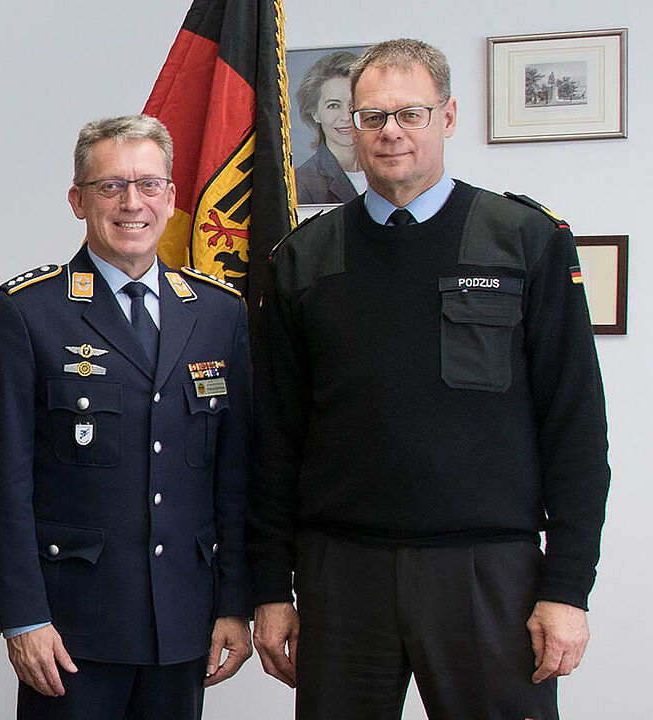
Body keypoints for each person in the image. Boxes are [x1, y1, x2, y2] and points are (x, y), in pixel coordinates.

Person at [250, 38, 610, 720]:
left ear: (447, 118)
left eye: (410, 113)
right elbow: (274, 441)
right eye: (371, 116)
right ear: (348, 126)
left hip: (490, 574)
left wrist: (566, 588)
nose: (389, 132)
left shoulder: (524, 240)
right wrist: (271, 588)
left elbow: (577, 430)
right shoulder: (302, 260)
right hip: (342, 572)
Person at [0, 115, 253, 720]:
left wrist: (233, 602)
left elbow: (232, 479)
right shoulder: (28, 312)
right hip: (74, 625)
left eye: (150, 185)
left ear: (172, 198)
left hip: (183, 619)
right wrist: (23, 616)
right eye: (110, 186)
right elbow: (5, 482)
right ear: (78, 200)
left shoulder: (217, 313)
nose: (133, 202)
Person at [294, 50, 364, 204]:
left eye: (354, 105)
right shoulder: (301, 183)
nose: (346, 116)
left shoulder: (390, 168)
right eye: (333, 106)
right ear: (315, 113)